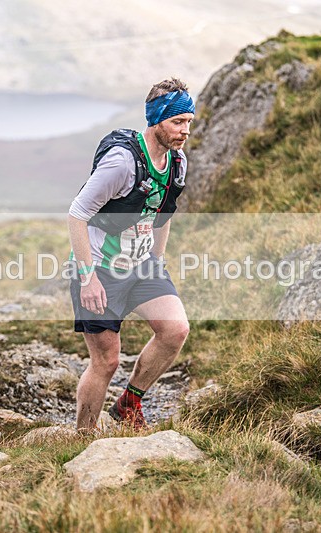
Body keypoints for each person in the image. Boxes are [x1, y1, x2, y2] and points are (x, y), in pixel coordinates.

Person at [67, 78, 194, 431]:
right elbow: (77, 215)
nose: (185, 131)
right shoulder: (121, 163)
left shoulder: (177, 162)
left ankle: (130, 402)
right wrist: (87, 278)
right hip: (101, 270)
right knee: (106, 362)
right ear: (156, 120)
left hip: (141, 265)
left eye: (189, 122)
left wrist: (157, 259)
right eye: (177, 122)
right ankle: (83, 436)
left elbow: (164, 212)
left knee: (175, 331)